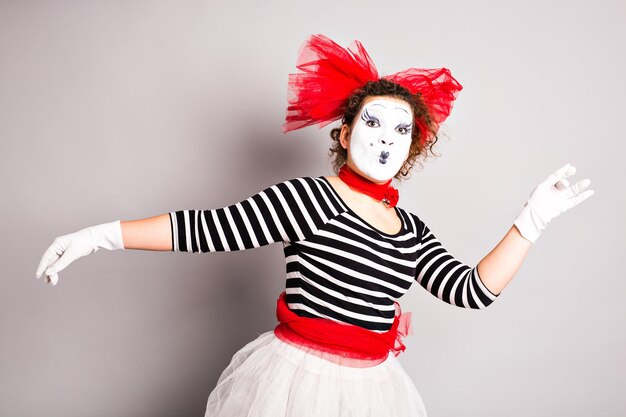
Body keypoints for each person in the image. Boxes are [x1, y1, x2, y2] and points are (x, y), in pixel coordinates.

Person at [35, 34, 594, 417]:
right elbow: (204, 229)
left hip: (374, 394)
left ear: (411, 149)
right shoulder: (312, 198)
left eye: (400, 131)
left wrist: (530, 223)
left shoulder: (411, 228)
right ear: (345, 134)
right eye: (371, 122)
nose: (384, 137)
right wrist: (98, 235)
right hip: (294, 387)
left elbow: (470, 291)